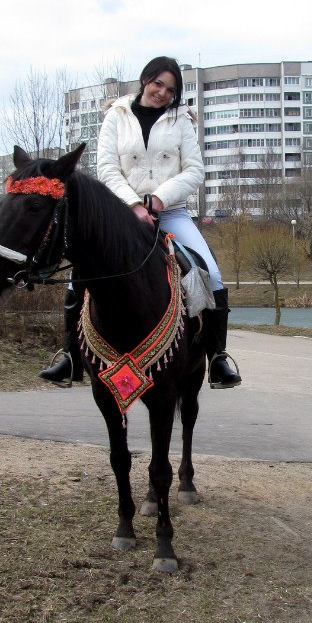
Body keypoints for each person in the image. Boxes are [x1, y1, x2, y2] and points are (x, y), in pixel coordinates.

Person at [39, 56, 241, 389]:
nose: (162, 92)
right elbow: (106, 168)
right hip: (120, 214)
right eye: (158, 83)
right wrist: (133, 204)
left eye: (170, 89)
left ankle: (217, 358)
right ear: (145, 79)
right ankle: (70, 357)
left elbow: (194, 171)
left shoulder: (181, 122)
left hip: (171, 213)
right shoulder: (116, 117)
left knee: (211, 274)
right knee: (80, 272)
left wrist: (159, 198)